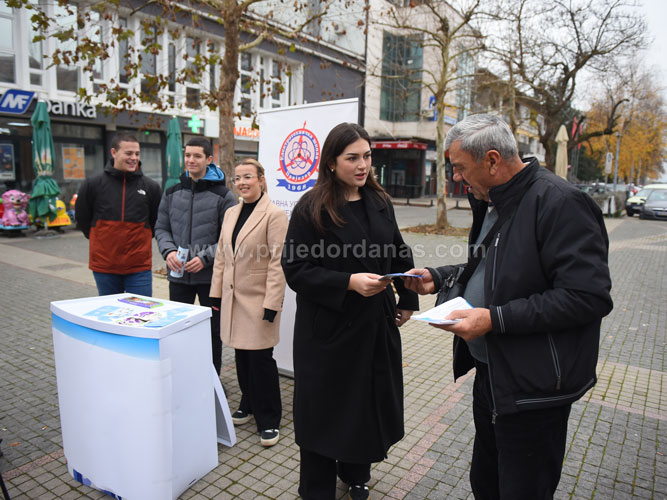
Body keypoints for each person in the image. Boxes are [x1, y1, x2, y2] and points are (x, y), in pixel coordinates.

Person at [403, 114, 613, 500]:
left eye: (460, 167)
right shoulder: (493, 199)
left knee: (522, 490)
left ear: (492, 160)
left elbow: (588, 296)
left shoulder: (560, 203)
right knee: (486, 483)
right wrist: (440, 276)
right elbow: (494, 268)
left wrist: (493, 319)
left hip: (535, 386)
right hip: (493, 374)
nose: (457, 178)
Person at [281, 123, 419, 500]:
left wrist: (407, 298)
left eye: (367, 156)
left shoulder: (380, 200)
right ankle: (316, 488)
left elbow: (398, 250)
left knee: (365, 406)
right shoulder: (311, 207)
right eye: (352, 158)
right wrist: (348, 282)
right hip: (328, 331)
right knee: (324, 412)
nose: (362, 165)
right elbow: (295, 268)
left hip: (374, 326)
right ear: (331, 162)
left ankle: (357, 472)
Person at [209, 158, 288, 447]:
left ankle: (269, 418)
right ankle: (248, 402)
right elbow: (222, 255)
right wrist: (215, 294)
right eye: (237, 178)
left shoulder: (274, 215)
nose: (242, 183)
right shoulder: (231, 212)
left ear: (261, 180)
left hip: (259, 299)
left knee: (261, 360)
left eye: (248, 177)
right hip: (233, 298)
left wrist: (272, 303)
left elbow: (278, 263)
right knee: (241, 356)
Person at [155, 137, 237, 375]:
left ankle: (211, 381)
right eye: (188, 155)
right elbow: (161, 228)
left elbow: (230, 237)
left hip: (211, 278)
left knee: (212, 332)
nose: (191, 160)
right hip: (178, 276)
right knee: (178, 330)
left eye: (197, 156)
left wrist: (204, 258)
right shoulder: (172, 192)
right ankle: (182, 377)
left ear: (209, 159)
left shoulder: (224, 196)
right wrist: (169, 251)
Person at [76, 133, 162, 296]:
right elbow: (82, 218)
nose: (134, 158)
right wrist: (100, 237)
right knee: (110, 311)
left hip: (139, 266)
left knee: (141, 310)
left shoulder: (151, 187)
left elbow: (156, 221)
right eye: (128, 153)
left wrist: (140, 238)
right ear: (114, 152)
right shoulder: (93, 184)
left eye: (137, 154)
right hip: (104, 266)